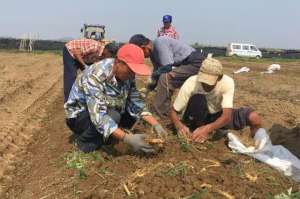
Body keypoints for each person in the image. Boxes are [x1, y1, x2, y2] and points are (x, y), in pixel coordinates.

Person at [64, 44, 167, 153]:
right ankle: (83, 144)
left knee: (131, 117)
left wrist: (156, 124)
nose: (133, 75)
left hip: (105, 108)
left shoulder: (128, 76)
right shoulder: (96, 75)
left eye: (135, 72)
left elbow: (136, 104)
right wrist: (128, 139)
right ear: (118, 62)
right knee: (114, 116)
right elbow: (99, 117)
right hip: (80, 116)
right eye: (130, 70)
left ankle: (110, 134)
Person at [169, 57, 262, 143]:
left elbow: (226, 116)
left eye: (209, 82)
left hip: (217, 115)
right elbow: (173, 111)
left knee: (254, 117)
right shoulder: (191, 82)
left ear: (219, 77)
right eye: (203, 81)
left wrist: (207, 128)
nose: (205, 85)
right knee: (199, 98)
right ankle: (198, 129)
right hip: (196, 116)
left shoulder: (227, 82)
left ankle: (255, 144)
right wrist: (179, 125)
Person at [129, 34, 206, 117]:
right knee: (162, 77)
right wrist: (147, 89)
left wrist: (151, 79)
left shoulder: (159, 43)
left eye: (140, 53)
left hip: (195, 62)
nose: (142, 57)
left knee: (165, 78)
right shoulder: (153, 54)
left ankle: (159, 113)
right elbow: (157, 71)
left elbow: (168, 67)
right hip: (186, 64)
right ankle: (164, 111)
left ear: (143, 47)